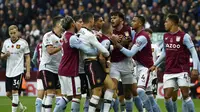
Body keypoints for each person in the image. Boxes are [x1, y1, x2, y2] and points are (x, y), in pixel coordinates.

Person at [149, 14, 198, 112]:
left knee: (185, 95)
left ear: (172, 22)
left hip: (182, 70)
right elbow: (164, 53)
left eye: (166, 21)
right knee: (167, 96)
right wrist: (155, 64)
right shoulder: (165, 36)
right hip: (169, 70)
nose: (165, 23)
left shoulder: (184, 36)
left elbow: (193, 52)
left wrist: (195, 68)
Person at [110, 15, 156, 112]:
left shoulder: (142, 37)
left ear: (140, 23)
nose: (132, 22)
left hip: (145, 67)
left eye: (134, 21)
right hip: (136, 66)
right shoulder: (135, 34)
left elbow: (130, 53)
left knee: (138, 91)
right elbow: (129, 40)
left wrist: (117, 44)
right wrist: (128, 42)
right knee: (149, 98)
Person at [78, 12, 114, 112]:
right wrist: (108, 55)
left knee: (111, 86)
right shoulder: (90, 35)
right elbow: (104, 51)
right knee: (96, 91)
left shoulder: (80, 32)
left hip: (91, 63)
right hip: (91, 63)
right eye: (94, 19)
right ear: (91, 21)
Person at [110, 11, 143, 112]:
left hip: (127, 63)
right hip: (114, 64)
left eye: (114, 18)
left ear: (121, 20)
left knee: (128, 93)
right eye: (111, 18)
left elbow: (135, 41)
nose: (112, 20)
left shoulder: (129, 30)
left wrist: (130, 44)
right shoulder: (110, 31)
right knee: (112, 89)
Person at [1, 25, 30, 112]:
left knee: (14, 91)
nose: (13, 35)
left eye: (14, 33)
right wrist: (5, 55)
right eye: (11, 33)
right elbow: (1, 56)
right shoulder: (6, 43)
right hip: (8, 71)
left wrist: (28, 71)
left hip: (18, 71)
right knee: (8, 94)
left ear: (17, 32)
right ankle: (21, 107)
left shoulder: (23, 43)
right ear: (9, 33)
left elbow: (27, 57)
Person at [39, 16, 64, 112]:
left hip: (58, 69)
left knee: (59, 93)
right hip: (47, 67)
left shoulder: (63, 36)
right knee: (50, 93)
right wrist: (62, 46)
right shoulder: (48, 36)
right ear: (58, 24)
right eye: (62, 22)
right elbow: (50, 51)